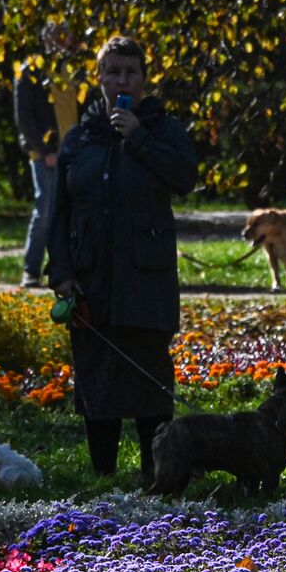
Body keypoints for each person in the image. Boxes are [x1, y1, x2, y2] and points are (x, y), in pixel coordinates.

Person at [46, 35, 198, 482]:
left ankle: (158, 476)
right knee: (97, 378)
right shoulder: (79, 138)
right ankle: (103, 476)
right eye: (113, 71)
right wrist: (62, 274)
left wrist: (139, 140)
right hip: (91, 280)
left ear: (144, 78)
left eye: (130, 71)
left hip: (145, 281)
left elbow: (186, 177)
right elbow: (59, 214)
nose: (121, 80)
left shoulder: (163, 129)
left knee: (149, 381)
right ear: (99, 78)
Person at [14, 23, 80, 289]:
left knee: (76, 213)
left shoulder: (77, 69)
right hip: (47, 157)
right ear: (44, 38)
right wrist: (45, 151)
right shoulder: (30, 71)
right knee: (45, 211)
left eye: (67, 35)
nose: (62, 41)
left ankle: (69, 269)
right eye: (56, 35)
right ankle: (31, 270)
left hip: (75, 152)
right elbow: (25, 118)